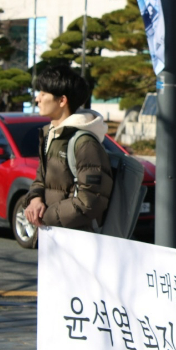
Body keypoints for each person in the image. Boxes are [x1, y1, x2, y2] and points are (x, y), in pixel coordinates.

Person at [23, 65, 113, 233]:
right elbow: (41, 179)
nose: (37, 99)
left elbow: (91, 200)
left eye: (43, 94)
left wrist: (46, 217)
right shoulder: (50, 135)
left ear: (62, 100)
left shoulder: (85, 143)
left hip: (78, 241)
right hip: (54, 235)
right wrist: (35, 199)